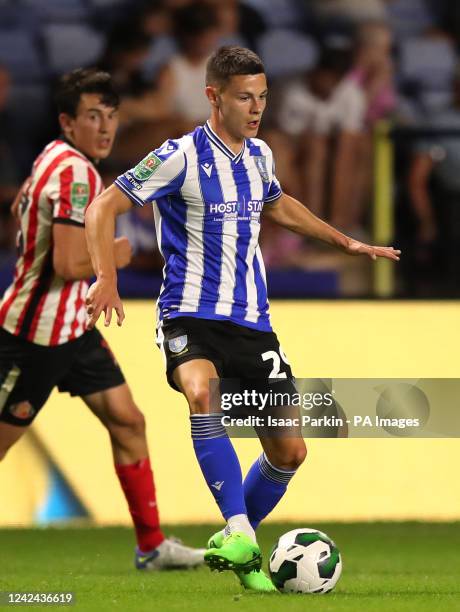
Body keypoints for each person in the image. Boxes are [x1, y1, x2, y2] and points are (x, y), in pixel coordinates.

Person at [84, 47, 400, 592]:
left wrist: (344, 240)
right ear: (214, 96)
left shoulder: (260, 156)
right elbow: (102, 206)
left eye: (262, 97)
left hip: (253, 322)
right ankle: (236, 528)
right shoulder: (179, 156)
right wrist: (105, 278)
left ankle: (243, 547)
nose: (256, 108)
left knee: (290, 451)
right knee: (202, 392)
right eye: (244, 98)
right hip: (190, 312)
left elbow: (277, 205)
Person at [0, 68, 204, 570]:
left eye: (111, 115)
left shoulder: (53, 157)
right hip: (37, 336)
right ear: (69, 122)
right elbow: (70, 265)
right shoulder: (76, 173)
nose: (105, 127)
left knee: (128, 421)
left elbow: (18, 216)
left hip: (73, 325)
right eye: (93, 116)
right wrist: (112, 254)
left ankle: (152, 547)